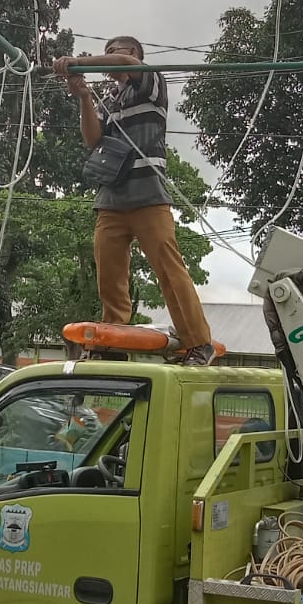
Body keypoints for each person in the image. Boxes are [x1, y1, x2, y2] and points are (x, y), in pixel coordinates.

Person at [53, 36, 215, 365]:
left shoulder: (151, 82)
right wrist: (84, 95)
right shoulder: (110, 97)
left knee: (169, 269)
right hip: (111, 197)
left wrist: (80, 61)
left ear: (136, 56)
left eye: (117, 51)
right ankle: (113, 341)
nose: (111, 56)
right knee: (109, 274)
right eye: (108, 51)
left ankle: (198, 343)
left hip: (149, 197)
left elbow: (127, 67)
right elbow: (93, 139)